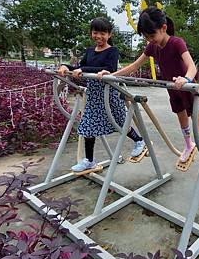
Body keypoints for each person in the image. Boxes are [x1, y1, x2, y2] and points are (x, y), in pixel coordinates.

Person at [97, 7, 199, 174]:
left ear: (163, 28)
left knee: (197, 120)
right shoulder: (152, 47)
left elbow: (191, 66)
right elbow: (134, 66)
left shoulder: (177, 42)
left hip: (187, 87)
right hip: (173, 88)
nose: (150, 40)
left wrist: (186, 79)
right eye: (146, 37)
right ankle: (189, 145)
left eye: (151, 36)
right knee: (181, 117)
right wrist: (111, 75)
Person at [57, 17, 146, 173]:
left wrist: (85, 70)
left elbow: (109, 68)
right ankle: (90, 161)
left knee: (119, 121)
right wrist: (66, 66)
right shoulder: (90, 52)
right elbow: (80, 67)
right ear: (91, 33)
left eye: (102, 33)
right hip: (93, 94)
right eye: (95, 32)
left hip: (109, 92)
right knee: (87, 126)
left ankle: (139, 141)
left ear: (109, 34)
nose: (98, 36)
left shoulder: (113, 51)